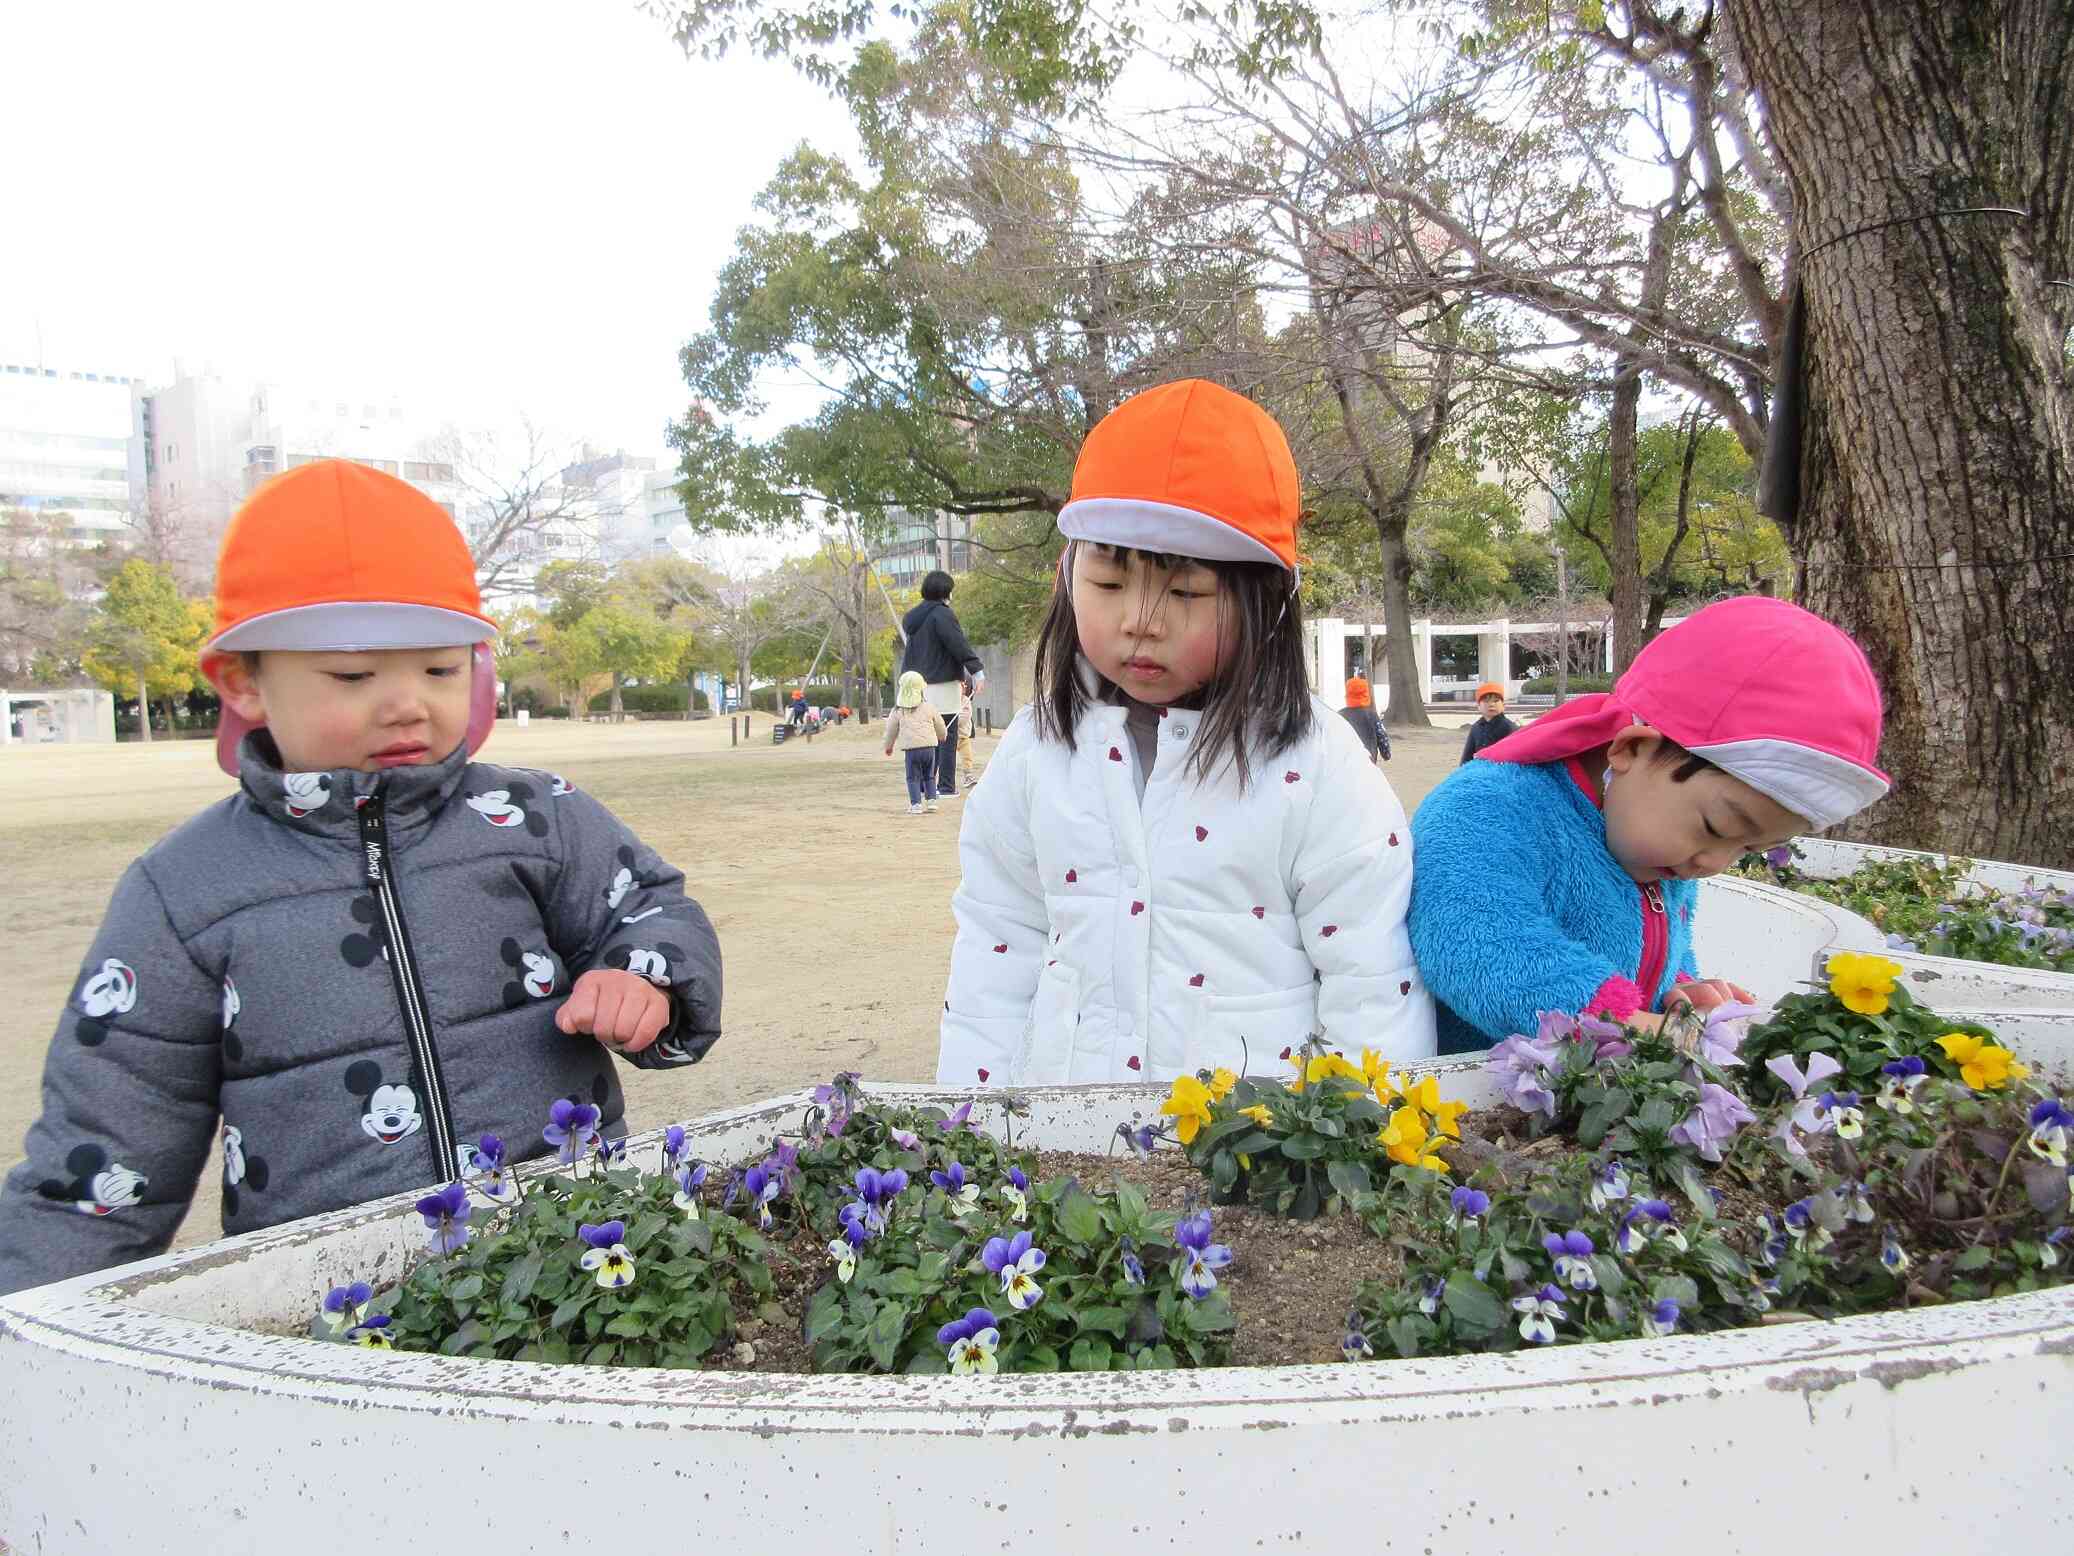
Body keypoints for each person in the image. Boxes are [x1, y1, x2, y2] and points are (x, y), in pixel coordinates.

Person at [0, 460, 724, 1296]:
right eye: (353, 675)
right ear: (244, 682)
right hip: (336, 1308)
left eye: (441, 669)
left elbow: (652, 910)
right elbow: (98, 1169)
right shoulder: (182, 891)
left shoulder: (538, 815)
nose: (407, 703)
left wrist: (648, 979)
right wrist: (34, 1340)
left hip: (571, 1264)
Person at [937, 379, 1435, 1087]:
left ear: (1267, 600)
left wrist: (1365, 1154)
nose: (1141, 619)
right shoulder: (1035, 751)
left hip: (1254, 1164)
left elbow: (1372, 982)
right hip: (1070, 1150)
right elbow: (997, 941)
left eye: (1185, 593)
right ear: (1067, 576)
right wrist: (974, 1127)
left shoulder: (1320, 767)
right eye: (1109, 584)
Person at [1408, 595, 1890, 1054]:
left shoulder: (1656, 839)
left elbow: (1656, 940)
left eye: (1750, 849)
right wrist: (1622, 1021)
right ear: (1632, 749)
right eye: (1718, 827)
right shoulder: (1488, 809)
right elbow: (1480, 947)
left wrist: (1679, 990)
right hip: (1475, 1099)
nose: (1716, 864)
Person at [900, 570, 984, 798]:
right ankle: (946, 786)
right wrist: (976, 670)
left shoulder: (913, 618)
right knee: (946, 734)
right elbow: (957, 643)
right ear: (945, 591)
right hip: (942, 682)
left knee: (926, 736)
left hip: (918, 685)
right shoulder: (942, 614)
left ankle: (922, 785)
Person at [884, 669, 949, 814]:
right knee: (929, 775)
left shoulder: (898, 711)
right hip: (929, 749)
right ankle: (931, 802)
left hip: (912, 751)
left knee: (913, 777)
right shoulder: (929, 707)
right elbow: (940, 724)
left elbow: (890, 731)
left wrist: (889, 746)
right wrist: (942, 736)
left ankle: (916, 805)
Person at [1458, 681, 1517, 764]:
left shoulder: (1509, 727)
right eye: (1486, 701)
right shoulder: (1476, 727)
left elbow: (1515, 754)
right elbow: (1467, 756)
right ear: (1478, 707)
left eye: (1496, 701)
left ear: (1504, 706)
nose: (1491, 704)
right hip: (1480, 769)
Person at [1339, 675, 1390, 763]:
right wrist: (1386, 754)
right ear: (1366, 693)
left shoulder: (1341, 715)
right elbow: (1381, 735)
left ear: (1347, 694)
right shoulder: (1371, 715)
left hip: (1347, 760)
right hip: (1368, 759)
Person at [957, 677, 979, 788]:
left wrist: (953, 721)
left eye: (964, 686)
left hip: (962, 736)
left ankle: (968, 775)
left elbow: (965, 717)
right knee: (942, 758)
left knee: (967, 757)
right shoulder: (947, 700)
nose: (963, 688)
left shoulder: (965, 700)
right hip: (948, 737)